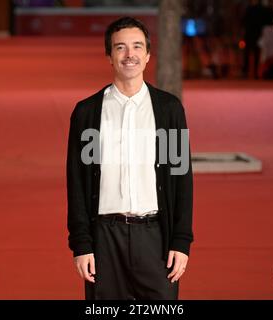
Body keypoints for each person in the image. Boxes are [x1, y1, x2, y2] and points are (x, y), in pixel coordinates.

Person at [66, 16, 194, 300]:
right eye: (120, 47)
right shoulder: (88, 114)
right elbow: (77, 183)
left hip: (156, 238)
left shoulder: (168, 110)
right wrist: (82, 244)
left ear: (148, 55)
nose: (129, 55)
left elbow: (181, 178)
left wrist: (181, 241)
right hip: (104, 240)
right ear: (109, 56)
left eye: (137, 46)